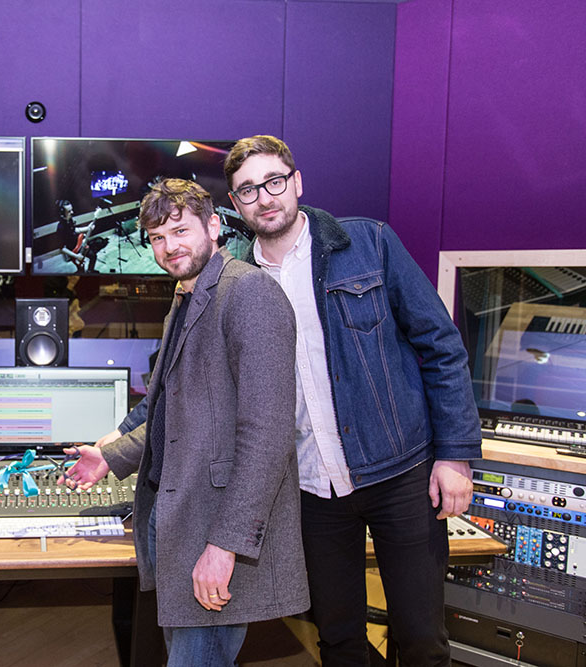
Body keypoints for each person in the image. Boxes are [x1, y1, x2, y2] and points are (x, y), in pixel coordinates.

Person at [104, 136, 482, 665]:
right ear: (233, 208)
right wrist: (115, 448)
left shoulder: (368, 243)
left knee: (421, 636)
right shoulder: (232, 281)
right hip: (310, 486)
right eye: (247, 190)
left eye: (274, 181)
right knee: (338, 635)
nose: (264, 197)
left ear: (296, 182)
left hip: (399, 471)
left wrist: (455, 453)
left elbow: (442, 346)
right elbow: (185, 391)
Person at [62, 178, 308, 666]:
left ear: (214, 226)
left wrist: (224, 546)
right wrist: (110, 458)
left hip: (212, 530)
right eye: (157, 237)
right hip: (179, 521)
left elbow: (268, 436)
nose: (169, 247)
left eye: (180, 231)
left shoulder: (249, 293)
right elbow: (172, 412)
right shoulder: (187, 295)